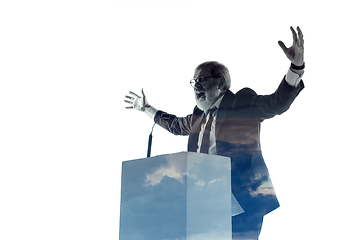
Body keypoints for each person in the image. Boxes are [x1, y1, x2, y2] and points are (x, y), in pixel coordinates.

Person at [124, 26, 305, 240]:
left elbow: (275, 104)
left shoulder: (241, 101)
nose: (195, 86)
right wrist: (146, 108)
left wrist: (296, 66)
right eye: (193, 81)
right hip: (204, 202)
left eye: (201, 80)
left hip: (241, 200)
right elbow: (174, 124)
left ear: (220, 82)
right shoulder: (198, 116)